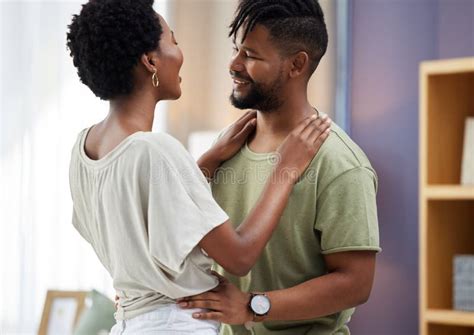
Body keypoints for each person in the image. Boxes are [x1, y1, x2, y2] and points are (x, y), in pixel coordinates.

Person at [66, 0, 331, 334]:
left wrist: (208, 160)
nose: (180, 53)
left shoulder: (84, 147)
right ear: (150, 61)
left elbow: (148, 212)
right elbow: (239, 255)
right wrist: (286, 169)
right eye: (173, 42)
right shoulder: (156, 149)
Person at [177, 1, 381, 334]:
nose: (233, 65)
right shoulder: (226, 149)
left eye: (251, 56)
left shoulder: (341, 164)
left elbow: (356, 283)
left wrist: (252, 306)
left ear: (296, 64)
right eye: (235, 50)